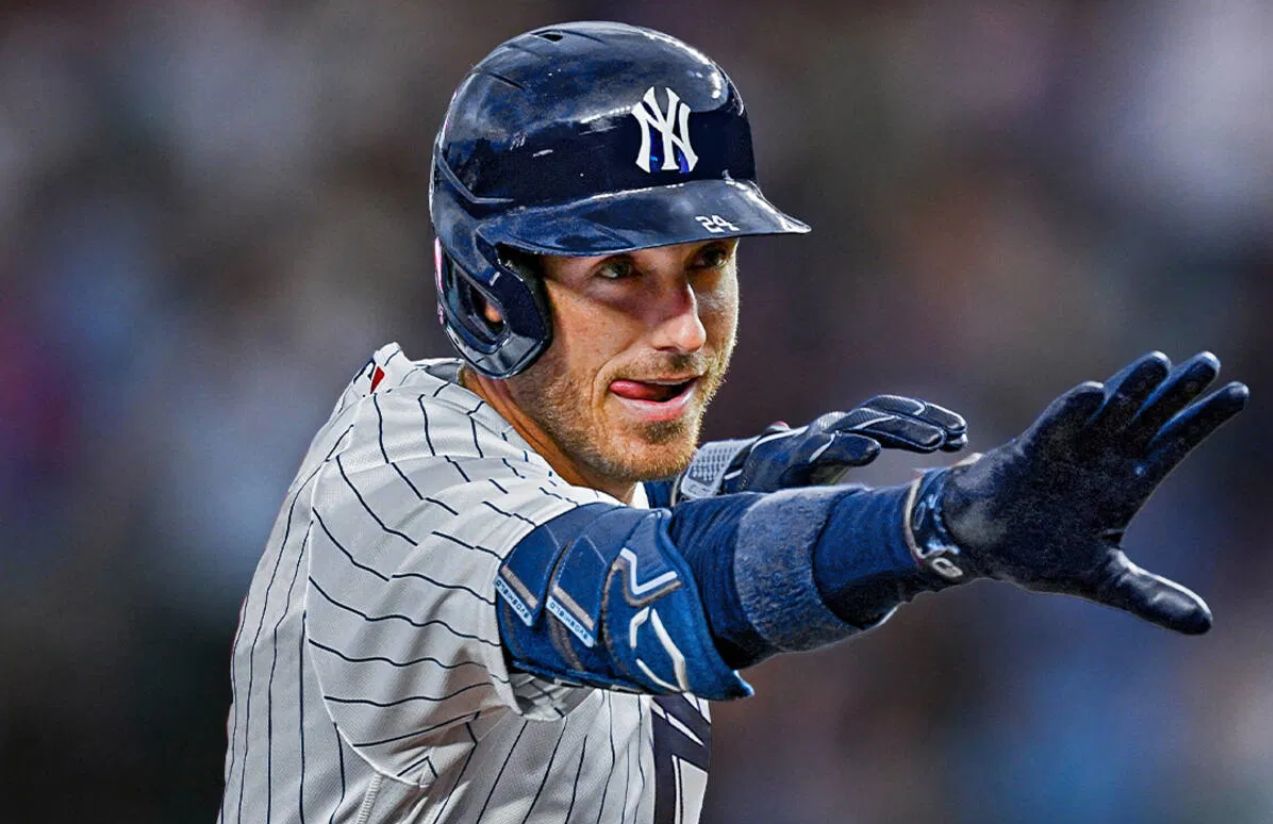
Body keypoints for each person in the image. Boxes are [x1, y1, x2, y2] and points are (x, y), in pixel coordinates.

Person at [217, 21, 1249, 824]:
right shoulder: (398, 495)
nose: (681, 328)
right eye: (618, 271)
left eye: (705, 263)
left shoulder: (555, 452)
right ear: (491, 295)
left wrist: (741, 471)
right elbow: (643, 585)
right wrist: (922, 525)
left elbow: (604, 512)